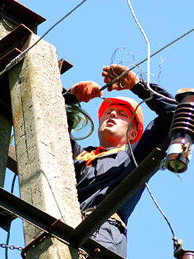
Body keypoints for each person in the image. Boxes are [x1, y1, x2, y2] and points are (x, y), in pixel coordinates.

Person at [68, 64, 177, 258]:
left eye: (122, 114)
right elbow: (47, 120)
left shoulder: (134, 157)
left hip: (101, 236)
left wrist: (136, 85)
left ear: (134, 132)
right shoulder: (78, 154)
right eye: (109, 112)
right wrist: (73, 95)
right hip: (61, 226)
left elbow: (173, 115)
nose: (112, 114)